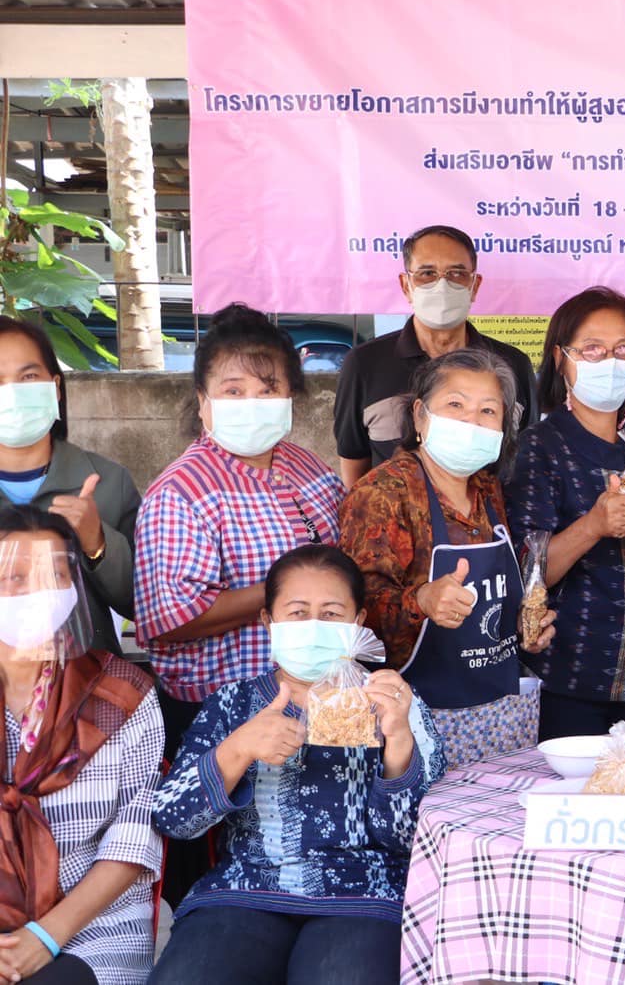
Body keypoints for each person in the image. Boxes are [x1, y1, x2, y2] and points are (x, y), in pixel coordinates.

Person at [150, 545, 444, 985]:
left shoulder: (395, 702)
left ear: (358, 622)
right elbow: (173, 819)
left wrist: (398, 739)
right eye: (298, 613)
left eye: (331, 614)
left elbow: (416, 840)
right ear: (269, 622)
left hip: (364, 894)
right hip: (244, 892)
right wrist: (239, 747)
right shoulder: (233, 703)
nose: (314, 627)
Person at [132, 304, 343, 909]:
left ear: (291, 396)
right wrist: (281, 593)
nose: (253, 401)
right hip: (218, 716)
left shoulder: (303, 465)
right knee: (226, 878)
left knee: (306, 853)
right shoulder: (182, 492)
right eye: (233, 389)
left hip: (314, 700)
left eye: (268, 387)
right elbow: (167, 622)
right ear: (203, 403)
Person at [339, 348, 554, 766]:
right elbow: (355, 617)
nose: (472, 421)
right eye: (455, 405)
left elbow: (495, 599)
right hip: (417, 720)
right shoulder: (383, 493)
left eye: (488, 410)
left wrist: (525, 625)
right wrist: (422, 600)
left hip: (500, 716)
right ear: (420, 416)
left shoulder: (488, 489)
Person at [506, 287, 625, 740]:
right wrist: (593, 526)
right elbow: (526, 572)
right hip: (572, 680)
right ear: (561, 359)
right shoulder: (539, 447)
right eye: (593, 350)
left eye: (624, 349)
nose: (611, 362)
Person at [0, 506, 163, 985]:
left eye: (54, 575)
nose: (38, 593)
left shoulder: (123, 695)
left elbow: (134, 837)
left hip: (95, 928)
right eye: (16, 577)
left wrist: (45, 937)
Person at [333, 224, 535, 485]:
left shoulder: (513, 365)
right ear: (406, 285)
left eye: (457, 274)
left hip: (491, 509)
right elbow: (354, 465)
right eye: (427, 274)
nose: (442, 285)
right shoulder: (364, 364)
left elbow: (526, 458)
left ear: (474, 285)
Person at [0, 318, 140, 655]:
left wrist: (98, 544)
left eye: (28, 377)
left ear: (56, 387)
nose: (12, 393)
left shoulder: (109, 482)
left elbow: (143, 606)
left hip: (86, 678)